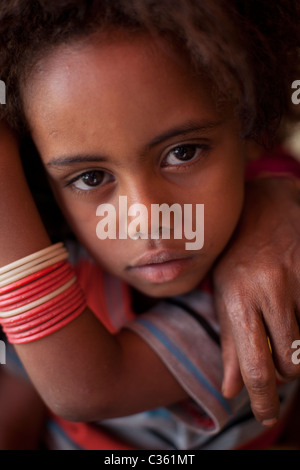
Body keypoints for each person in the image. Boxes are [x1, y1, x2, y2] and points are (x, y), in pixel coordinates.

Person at [0, 0, 299, 450]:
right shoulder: (67, 251)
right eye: (91, 178)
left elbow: (88, 389)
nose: (146, 220)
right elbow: (19, 401)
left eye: (183, 152)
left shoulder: (266, 294)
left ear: (252, 129)